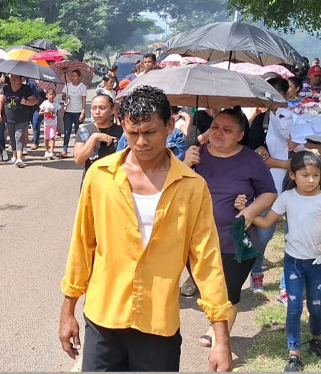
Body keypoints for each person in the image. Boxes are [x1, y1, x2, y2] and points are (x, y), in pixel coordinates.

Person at [59, 85, 233, 372]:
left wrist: (221, 339)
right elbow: (82, 246)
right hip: (103, 319)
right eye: (133, 133)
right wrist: (68, 312)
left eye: (150, 132)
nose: (141, 142)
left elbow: (206, 262)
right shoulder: (100, 177)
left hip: (158, 325)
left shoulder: (191, 187)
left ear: (168, 127)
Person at [183, 107, 277, 348]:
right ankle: (216, 324)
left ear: (240, 135)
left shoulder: (251, 160)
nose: (218, 133)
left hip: (234, 240)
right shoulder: (196, 155)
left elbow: (269, 193)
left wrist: (250, 211)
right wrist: (184, 165)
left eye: (227, 130)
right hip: (196, 239)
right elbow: (173, 190)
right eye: (215, 127)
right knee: (208, 290)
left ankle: (221, 337)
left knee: (228, 291)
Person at [248, 151, 321, 372]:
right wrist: (246, 213)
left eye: (316, 175)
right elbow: (267, 221)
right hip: (293, 264)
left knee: (317, 306)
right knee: (294, 307)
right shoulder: (287, 198)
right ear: (292, 174)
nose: (311, 180)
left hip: (317, 264)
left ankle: (316, 339)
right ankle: (294, 354)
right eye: (305, 175)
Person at [247, 77, 291, 298]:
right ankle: (256, 272)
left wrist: (280, 162)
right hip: (269, 188)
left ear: (285, 94)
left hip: (297, 187)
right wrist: (260, 151)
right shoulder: (260, 121)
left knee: (293, 237)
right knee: (264, 233)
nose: (269, 99)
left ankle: (287, 285)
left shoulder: (298, 119)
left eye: (273, 94)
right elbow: (252, 147)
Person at [0, 74, 38, 168]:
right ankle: (14, 156)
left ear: (20, 79)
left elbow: (34, 100)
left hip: (22, 118)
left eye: (15, 78)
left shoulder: (26, 89)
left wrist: (26, 102)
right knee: (12, 137)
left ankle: (19, 158)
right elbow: (0, 101)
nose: (13, 79)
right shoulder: (5, 88)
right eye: (12, 77)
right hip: (8, 118)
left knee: (18, 136)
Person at [73, 94, 122, 176]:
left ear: (112, 110)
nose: (97, 112)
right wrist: (94, 137)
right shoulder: (84, 131)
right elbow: (78, 160)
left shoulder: (121, 131)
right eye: (94, 108)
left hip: (114, 180)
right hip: (91, 181)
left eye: (102, 108)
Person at [61, 69, 87, 158]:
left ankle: (77, 150)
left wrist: (83, 111)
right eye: (72, 76)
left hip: (78, 111)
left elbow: (84, 100)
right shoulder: (67, 86)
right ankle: (64, 149)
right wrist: (65, 97)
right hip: (68, 111)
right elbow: (63, 97)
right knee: (67, 131)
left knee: (78, 132)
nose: (73, 78)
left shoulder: (82, 87)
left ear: (80, 77)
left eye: (75, 76)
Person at [39, 88, 61, 158]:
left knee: (52, 137)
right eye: (50, 94)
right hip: (46, 123)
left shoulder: (56, 103)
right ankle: (46, 151)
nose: (51, 96)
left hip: (53, 123)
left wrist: (66, 104)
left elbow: (61, 110)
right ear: (47, 95)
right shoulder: (45, 103)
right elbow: (40, 112)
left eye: (53, 95)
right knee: (46, 138)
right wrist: (45, 112)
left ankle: (51, 151)